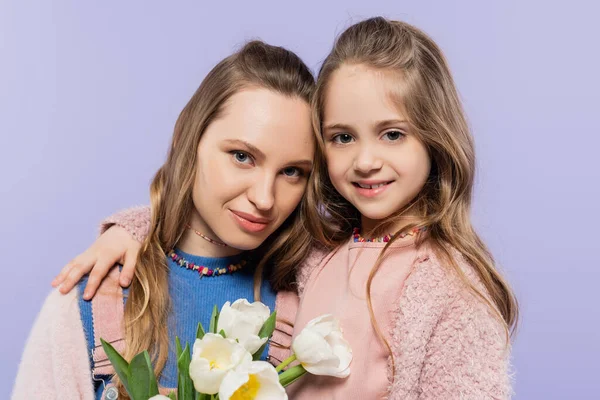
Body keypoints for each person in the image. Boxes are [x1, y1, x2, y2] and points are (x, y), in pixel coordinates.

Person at [53, 17, 517, 399]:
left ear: (435, 138)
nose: (366, 160)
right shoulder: (320, 250)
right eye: (342, 137)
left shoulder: (451, 287)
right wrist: (130, 230)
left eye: (392, 133)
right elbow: (208, 220)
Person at [13, 40, 318, 400]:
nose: (265, 198)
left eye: (293, 172)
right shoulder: (92, 298)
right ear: (188, 140)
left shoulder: (311, 301)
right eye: (242, 156)